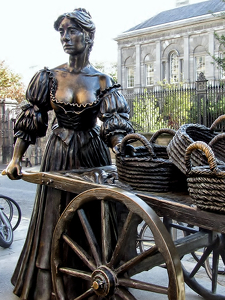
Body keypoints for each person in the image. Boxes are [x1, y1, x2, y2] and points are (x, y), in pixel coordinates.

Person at [4, 8, 134, 300]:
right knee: (54, 216)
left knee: (92, 215)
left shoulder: (102, 80)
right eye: (61, 31)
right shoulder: (49, 77)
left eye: (71, 30)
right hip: (59, 155)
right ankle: (49, 284)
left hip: (91, 156)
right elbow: (32, 118)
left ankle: (97, 278)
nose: (65, 37)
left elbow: (114, 126)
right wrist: (15, 158)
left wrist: (122, 149)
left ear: (88, 36)